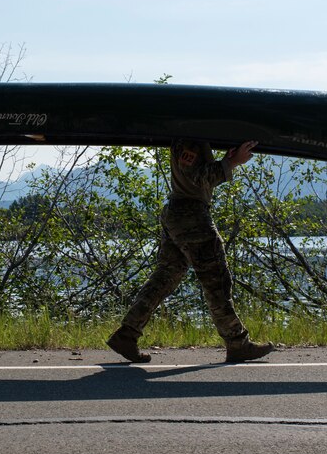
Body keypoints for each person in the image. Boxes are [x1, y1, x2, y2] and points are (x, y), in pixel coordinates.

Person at [107, 138, 275, 364]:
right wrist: (232, 162)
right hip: (190, 215)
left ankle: (126, 335)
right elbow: (199, 177)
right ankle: (237, 343)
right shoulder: (190, 138)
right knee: (216, 278)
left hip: (178, 213)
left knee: (165, 277)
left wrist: (225, 160)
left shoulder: (188, 134)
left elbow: (196, 172)